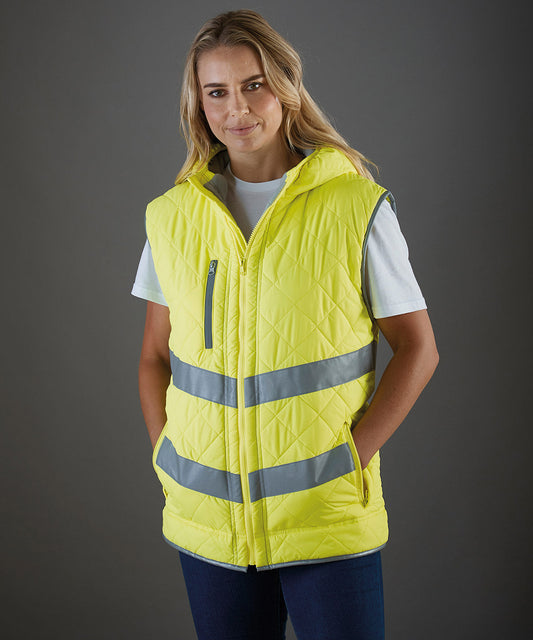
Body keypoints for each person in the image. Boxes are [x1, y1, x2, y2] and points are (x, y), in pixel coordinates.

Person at [132, 9, 439, 640]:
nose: (238, 108)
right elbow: (154, 356)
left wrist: (351, 460)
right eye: (217, 92)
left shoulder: (355, 205)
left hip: (325, 514)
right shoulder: (171, 217)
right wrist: (166, 455)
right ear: (199, 105)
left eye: (254, 85)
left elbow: (419, 349)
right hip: (209, 523)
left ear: (286, 87)